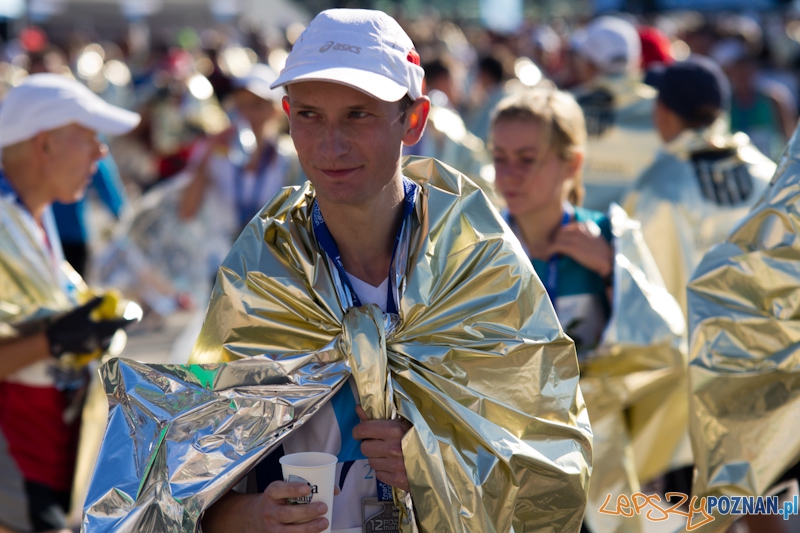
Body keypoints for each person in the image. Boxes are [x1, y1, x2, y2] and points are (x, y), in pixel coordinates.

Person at [81, 9, 592, 533]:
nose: (330, 144)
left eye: (358, 114)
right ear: (286, 116)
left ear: (412, 121)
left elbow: (552, 469)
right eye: (308, 115)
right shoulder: (261, 273)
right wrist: (255, 514)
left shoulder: (478, 262)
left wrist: (437, 461)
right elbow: (188, 489)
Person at [491, 86, 687, 533]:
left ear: (572, 163)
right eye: (499, 157)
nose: (509, 174)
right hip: (507, 454)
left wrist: (609, 271)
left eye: (527, 158)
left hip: (598, 456)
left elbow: (664, 342)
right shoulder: (484, 245)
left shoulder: (610, 236)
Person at [0, 74, 139, 533]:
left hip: (45, 457)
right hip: (16, 466)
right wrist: (58, 339)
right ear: (44, 146)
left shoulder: (27, 216)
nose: (101, 155)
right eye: (90, 139)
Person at [623, 56, 775, 316]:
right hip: (772, 348)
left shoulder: (655, 187)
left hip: (688, 351)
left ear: (663, 112)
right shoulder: (769, 174)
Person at [179, 63, 303, 240]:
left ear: (275, 110)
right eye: (240, 105)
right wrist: (207, 153)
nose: (246, 113)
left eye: (256, 105)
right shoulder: (213, 150)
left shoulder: (290, 157)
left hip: (268, 258)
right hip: (220, 259)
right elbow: (186, 211)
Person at [570, 16, 662, 212]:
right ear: (637, 61)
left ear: (589, 63)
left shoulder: (568, 107)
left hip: (578, 232)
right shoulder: (664, 108)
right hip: (645, 231)